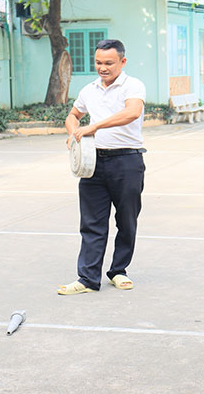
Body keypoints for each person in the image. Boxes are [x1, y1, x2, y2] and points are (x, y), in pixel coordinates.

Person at [58, 39, 146, 295]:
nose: (102, 68)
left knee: (126, 220)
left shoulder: (133, 86)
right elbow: (73, 115)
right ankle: (87, 278)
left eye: (109, 63)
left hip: (127, 161)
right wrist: (74, 133)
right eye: (98, 62)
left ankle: (118, 271)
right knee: (91, 222)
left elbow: (132, 112)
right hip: (93, 162)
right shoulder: (89, 90)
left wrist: (94, 126)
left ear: (122, 61)